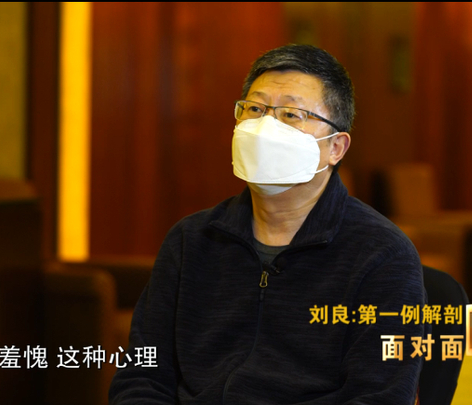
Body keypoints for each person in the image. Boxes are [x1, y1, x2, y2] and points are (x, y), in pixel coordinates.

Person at [109, 44, 426, 404]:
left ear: (336, 147)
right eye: (255, 109)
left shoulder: (381, 254)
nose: (265, 128)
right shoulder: (191, 239)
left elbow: (379, 396)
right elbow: (141, 372)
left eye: (291, 114)